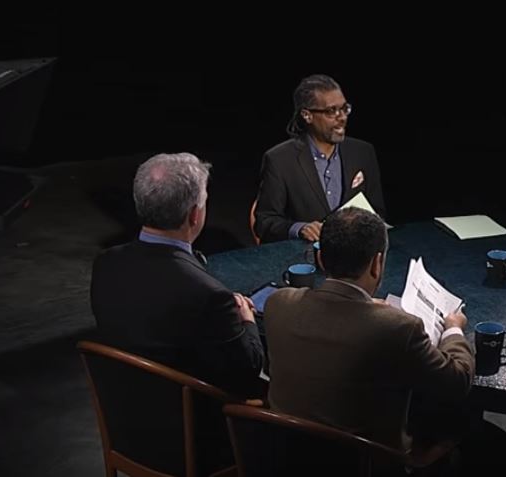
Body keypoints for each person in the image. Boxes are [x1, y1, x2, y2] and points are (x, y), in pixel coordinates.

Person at [262, 206, 474, 458]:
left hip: (286, 460)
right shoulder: (400, 328)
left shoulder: (278, 303)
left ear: (320, 259)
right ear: (377, 263)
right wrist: (453, 331)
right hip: (368, 466)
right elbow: (457, 381)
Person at [90, 153, 265, 398]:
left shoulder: (105, 264)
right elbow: (247, 370)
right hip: (195, 421)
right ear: (195, 214)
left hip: (124, 409)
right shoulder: (210, 296)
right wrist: (247, 319)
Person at [254, 74, 387, 243]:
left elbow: (377, 212)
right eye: (332, 111)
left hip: (355, 255)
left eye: (344, 108)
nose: (342, 118)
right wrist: (299, 228)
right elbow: (264, 222)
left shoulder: (363, 152)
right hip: (305, 257)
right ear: (307, 115)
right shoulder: (280, 160)